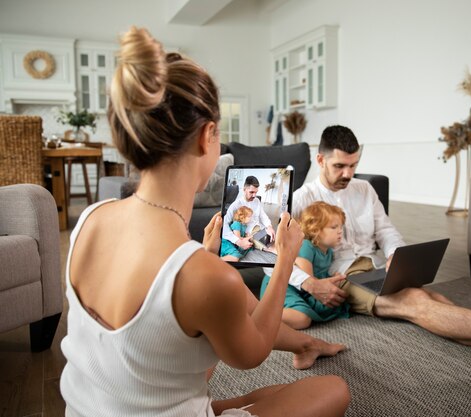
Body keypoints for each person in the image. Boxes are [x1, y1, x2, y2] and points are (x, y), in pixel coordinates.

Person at [59, 27, 349, 417]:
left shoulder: (88, 220)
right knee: (333, 389)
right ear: (208, 135)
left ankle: (303, 346)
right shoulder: (204, 275)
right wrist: (283, 263)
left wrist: (202, 257)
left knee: (275, 392)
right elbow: (252, 353)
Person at [282, 124, 471, 384]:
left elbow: (387, 232)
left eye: (354, 165)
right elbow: (274, 257)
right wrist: (310, 283)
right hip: (345, 277)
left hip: (376, 268)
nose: (348, 173)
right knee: (418, 302)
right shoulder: (301, 199)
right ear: (320, 160)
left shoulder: (365, 190)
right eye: (340, 166)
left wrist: (395, 256)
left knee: (435, 302)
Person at [261, 202, 350, 329]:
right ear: (316, 230)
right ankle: (256, 315)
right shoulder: (307, 247)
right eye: (334, 227)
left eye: (341, 227)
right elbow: (309, 280)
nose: (340, 231)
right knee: (302, 319)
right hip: (284, 285)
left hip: (301, 288)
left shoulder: (329, 251)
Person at [223, 176, 276, 252]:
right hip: (250, 234)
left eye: (256, 192)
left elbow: (263, 216)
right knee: (270, 247)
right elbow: (224, 224)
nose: (254, 195)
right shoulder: (235, 205)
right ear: (244, 190)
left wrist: (269, 226)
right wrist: (237, 241)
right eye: (251, 192)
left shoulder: (257, 201)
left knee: (274, 237)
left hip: (260, 228)